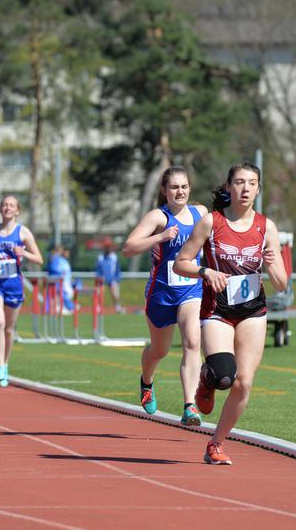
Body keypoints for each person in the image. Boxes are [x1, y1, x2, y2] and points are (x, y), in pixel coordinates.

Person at [174, 162, 287, 465]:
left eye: (252, 183)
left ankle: (216, 444)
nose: (245, 188)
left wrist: (271, 263)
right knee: (226, 375)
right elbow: (180, 263)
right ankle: (208, 379)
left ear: (258, 189)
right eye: (239, 182)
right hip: (217, 308)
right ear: (228, 187)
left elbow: (281, 283)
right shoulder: (211, 223)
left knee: (244, 382)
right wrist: (205, 271)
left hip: (252, 309)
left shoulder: (267, 227)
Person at [123, 166, 206, 426]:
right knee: (160, 350)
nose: (179, 191)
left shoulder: (200, 213)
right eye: (174, 187)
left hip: (191, 289)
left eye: (184, 186)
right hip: (161, 292)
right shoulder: (159, 217)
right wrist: (160, 236)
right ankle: (146, 381)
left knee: (193, 342)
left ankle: (190, 405)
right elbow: (128, 247)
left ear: (190, 188)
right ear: (164, 190)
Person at [0, 195, 43, 386]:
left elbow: (39, 258)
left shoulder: (23, 233)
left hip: (13, 284)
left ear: (17, 210)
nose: (7, 208)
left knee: (8, 329)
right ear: (0, 209)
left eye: (11, 205)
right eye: (4, 205)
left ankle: (5, 363)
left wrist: (25, 253)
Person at [96, 243, 123, 313]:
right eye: (106, 248)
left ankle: (118, 307)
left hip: (112, 279)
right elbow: (98, 269)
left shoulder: (114, 257)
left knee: (115, 294)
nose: (108, 250)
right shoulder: (100, 257)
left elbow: (117, 269)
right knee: (99, 293)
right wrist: (99, 277)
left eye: (109, 248)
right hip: (102, 279)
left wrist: (117, 279)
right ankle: (99, 307)